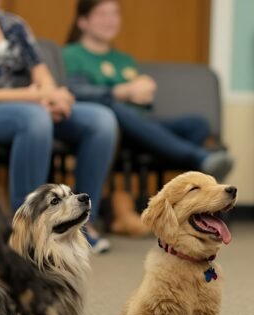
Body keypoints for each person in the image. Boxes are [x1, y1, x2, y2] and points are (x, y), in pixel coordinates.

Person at [63, 0, 233, 236]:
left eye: (114, 14)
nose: (110, 20)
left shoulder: (124, 59)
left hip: (142, 127)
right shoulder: (71, 55)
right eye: (102, 14)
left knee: (198, 124)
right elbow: (74, 92)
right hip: (111, 134)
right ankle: (200, 158)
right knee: (114, 108)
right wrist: (120, 91)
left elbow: (142, 106)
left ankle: (192, 211)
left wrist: (144, 93)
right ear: (83, 21)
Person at [0, 0, 117, 253]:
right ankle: (25, 229)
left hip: (29, 106)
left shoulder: (14, 25)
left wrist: (52, 96)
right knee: (34, 118)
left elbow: (42, 75)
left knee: (100, 120)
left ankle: (80, 222)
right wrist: (32, 97)